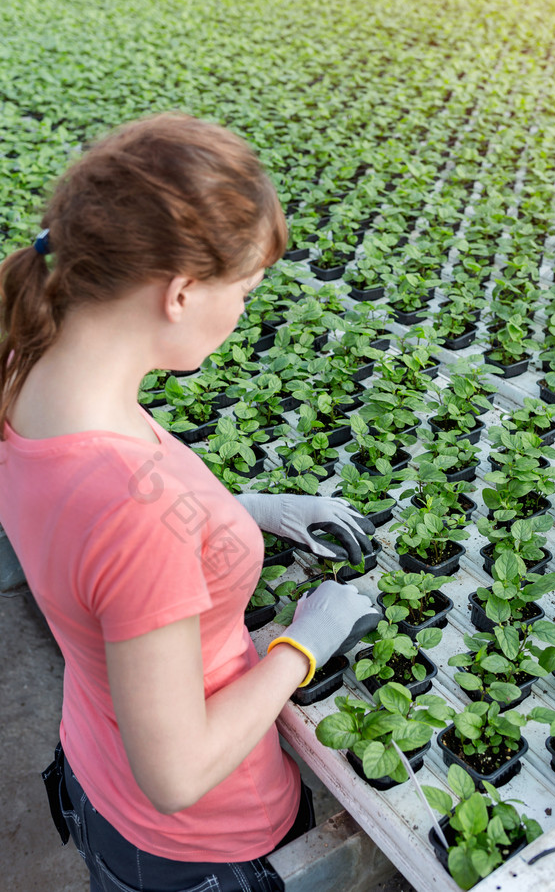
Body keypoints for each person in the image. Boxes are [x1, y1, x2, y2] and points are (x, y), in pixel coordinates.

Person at [0, 113, 381, 892]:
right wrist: (305, 644)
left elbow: (93, 526)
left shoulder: (26, 365)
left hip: (97, 769)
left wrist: (253, 510)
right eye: (243, 292)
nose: (242, 316)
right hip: (198, 844)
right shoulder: (128, 513)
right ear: (179, 293)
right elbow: (179, 773)